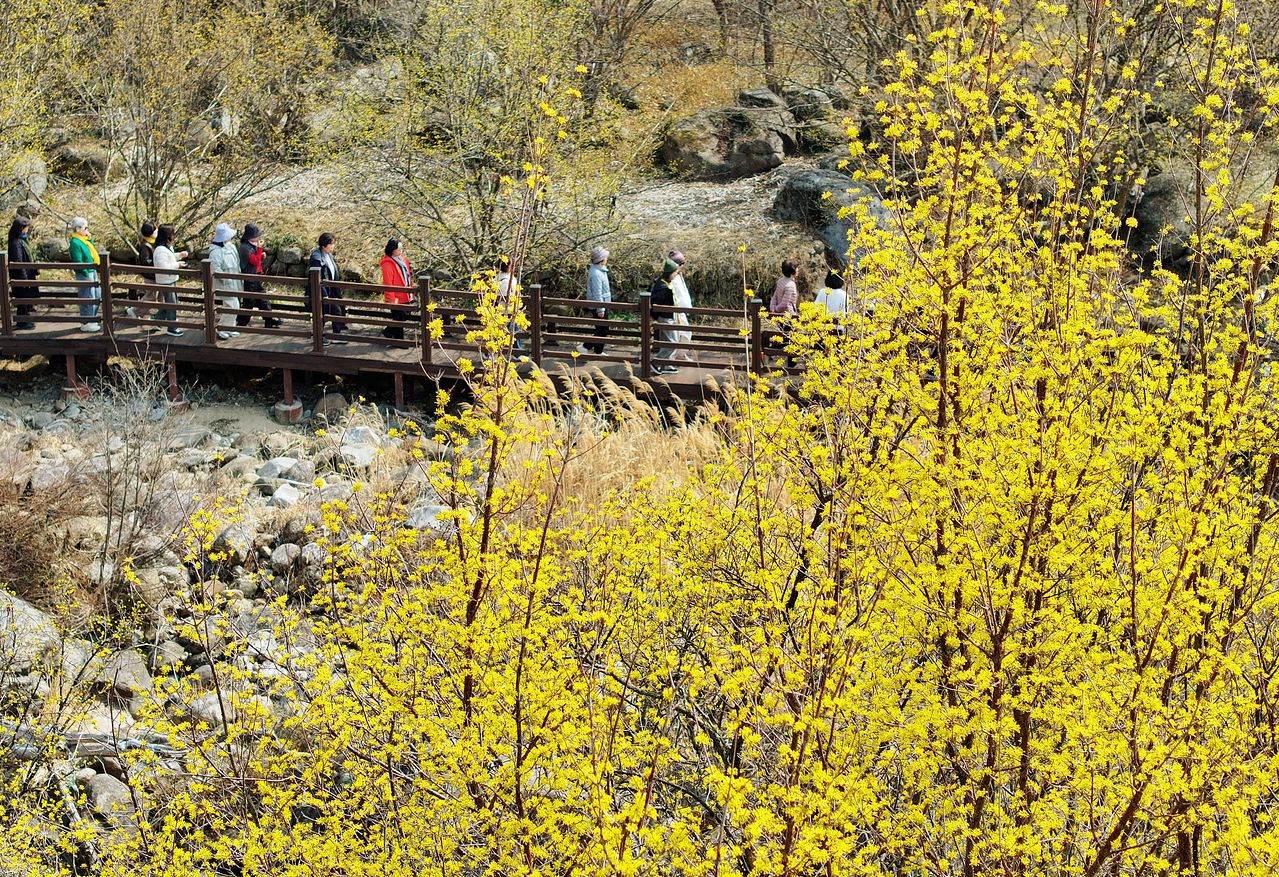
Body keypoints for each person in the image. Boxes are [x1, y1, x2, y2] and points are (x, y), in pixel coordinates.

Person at [237, 223, 280, 329]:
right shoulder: (245, 248)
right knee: (249, 302)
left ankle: (269, 320)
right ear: (251, 237)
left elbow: (256, 259)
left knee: (263, 299)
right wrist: (260, 250)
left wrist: (261, 255)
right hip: (250, 278)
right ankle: (241, 323)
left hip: (256, 277)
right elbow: (254, 261)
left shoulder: (250, 246)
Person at [308, 232, 348, 343]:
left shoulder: (328, 255)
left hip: (331, 290)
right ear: (324, 245)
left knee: (336, 312)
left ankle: (335, 336)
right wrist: (324, 293)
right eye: (331, 244)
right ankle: (320, 338)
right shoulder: (317, 257)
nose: (333, 246)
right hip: (321, 291)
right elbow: (316, 277)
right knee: (322, 315)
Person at [207, 223, 243, 340]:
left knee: (231, 305)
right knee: (233, 305)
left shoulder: (230, 246)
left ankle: (230, 327)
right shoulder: (215, 252)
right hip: (224, 283)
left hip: (234, 281)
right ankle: (221, 327)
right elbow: (216, 268)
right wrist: (225, 278)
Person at [152, 224, 187, 336]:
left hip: (170, 279)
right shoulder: (160, 250)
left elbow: (170, 257)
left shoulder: (165, 247)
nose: (174, 235)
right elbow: (164, 267)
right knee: (172, 305)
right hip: (165, 281)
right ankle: (172, 328)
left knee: (171, 303)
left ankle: (156, 320)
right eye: (172, 233)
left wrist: (179, 256)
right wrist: (178, 265)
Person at [68, 217, 102, 332]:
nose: (87, 230)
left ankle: (92, 318)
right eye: (85, 228)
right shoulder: (75, 242)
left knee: (97, 295)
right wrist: (86, 273)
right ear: (77, 229)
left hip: (92, 271)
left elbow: (90, 250)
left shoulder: (83, 240)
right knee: (87, 296)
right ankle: (86, 321)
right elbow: (78, 261)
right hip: (85, 273)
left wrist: (89, 238)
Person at [649, 258, 680, 374]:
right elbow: (656, 303)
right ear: (670, 273)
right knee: (673, 342)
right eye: (675, 272)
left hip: (668, 316)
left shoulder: (664, 283)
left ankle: (666, 365)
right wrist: (655, 316)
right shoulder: (662, 287)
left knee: (668, 340)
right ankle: (656, 362)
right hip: (665, 317)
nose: (677, 274)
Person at [7, 216, 38, 330]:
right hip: (20, 277)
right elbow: (18, 261)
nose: (27, 229)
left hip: (24, 275)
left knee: (24, 298)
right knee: (22, 299)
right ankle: (22, 323)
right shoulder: (15, 242)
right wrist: (24, 278)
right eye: (26, 227)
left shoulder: (19, 239)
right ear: (21, 228)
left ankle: (24, 320)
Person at [380, 239, 414, 340]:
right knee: (399, 319)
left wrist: (411, 292)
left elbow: (407, 276)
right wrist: (391, 298)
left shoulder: (403, 260)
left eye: (401, 248)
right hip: (397, 296)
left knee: (403, 317)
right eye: (398, 249)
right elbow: (388, 283)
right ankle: (400, 341)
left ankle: (388, 332)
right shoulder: (387, 263)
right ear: (392, 250)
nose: (401, 250)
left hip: (406, 294)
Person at [580, 246, 611, 355]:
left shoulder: (600, 270)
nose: (607, 259)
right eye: (605, 257)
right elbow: (597, 292)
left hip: (603, 304)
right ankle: (586, 346)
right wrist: (600, 309)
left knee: (601, 329)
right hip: (600, 305)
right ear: (601, 259)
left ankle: (598, 351)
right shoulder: (596, 273)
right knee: (602, 330)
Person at [668, 249, 694, 362]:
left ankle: (680, 354)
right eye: (681, 264)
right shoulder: (673, 277)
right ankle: (672, 358)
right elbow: (678, 296)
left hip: (681, 310)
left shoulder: (677, 275)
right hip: (676, 311)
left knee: (683, 333)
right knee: (680, 334)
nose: (682, 266)